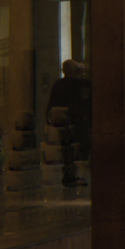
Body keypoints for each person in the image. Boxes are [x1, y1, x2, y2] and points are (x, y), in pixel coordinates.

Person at [46, 60, 92, 188]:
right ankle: (79, 175)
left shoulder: (58, 85)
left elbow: (51, 104)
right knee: (80, 151)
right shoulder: (82, 84)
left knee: (66, 151)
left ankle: (69, 175)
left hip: (61, 123)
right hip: (79, 123)